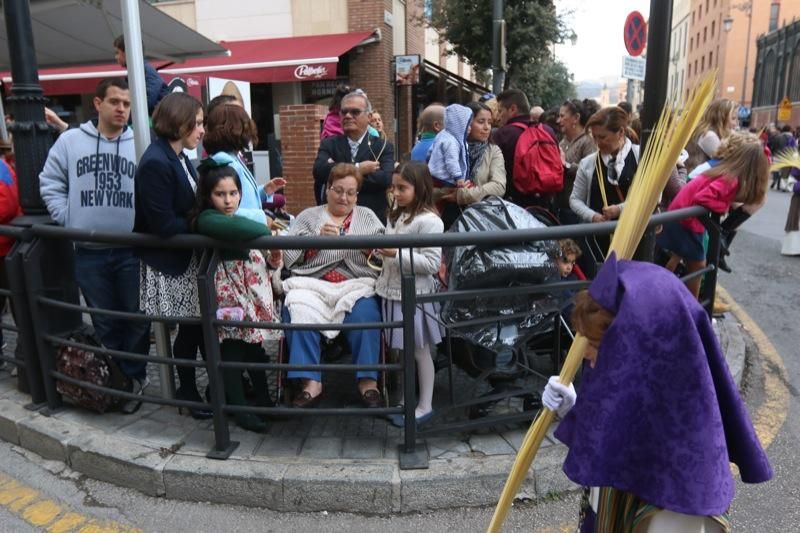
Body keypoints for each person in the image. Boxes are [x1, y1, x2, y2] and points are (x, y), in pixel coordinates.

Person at [542, 255, 772, 532]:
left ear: (643, 358)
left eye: (595, 344)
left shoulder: (678, 497)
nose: (585, 356)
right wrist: (574, 408)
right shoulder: (650, 404)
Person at [39, 78, 150, 414]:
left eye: (127, 104)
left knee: (135, 318)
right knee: (104, 321)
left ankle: (131, 381)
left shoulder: (141, 142)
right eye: (115, 102)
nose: (121, 109)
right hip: (89, 252)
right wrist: (68, 216)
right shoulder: (71, 141)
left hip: (132, 250)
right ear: (98, 103)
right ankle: (113, 380)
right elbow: (49, 181)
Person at [282, 163, 385, 408]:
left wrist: (360, 244)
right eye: (338, 190)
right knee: (297, 310)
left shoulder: (368, 217)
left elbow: (383, 255)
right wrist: (317, 240)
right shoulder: (309, 216)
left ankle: (368, 381)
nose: (344, 197)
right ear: (327, 189)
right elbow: (289, 256)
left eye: (351, 192)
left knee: (367, 314)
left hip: (355, 284)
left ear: (357, 195)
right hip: (313, 283)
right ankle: (311, 382)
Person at [133, 92, 211, 418]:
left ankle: (198, 390)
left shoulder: (177, 156)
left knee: (197, 328)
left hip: (185, 259)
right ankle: (188, 392)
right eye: (198, 123)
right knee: (191, 329)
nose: (203, 130)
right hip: (170, 263)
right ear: (180, 122)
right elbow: (164, 223)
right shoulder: (156, 162)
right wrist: (204, 222)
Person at [192, 161, 282, 432]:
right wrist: (265, 226)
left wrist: (273, 257)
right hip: (229, 296)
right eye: (221, 194)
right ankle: (240, 410)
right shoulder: (208, 219)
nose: (229, 200)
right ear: (208, 196)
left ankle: (264, 403)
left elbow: (262, 253)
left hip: (249, 295)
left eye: (233, 193)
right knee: (231, 351)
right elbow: (245, 231)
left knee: (254, 350)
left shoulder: (234, 217)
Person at [658, 132, 768, 298]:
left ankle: (667, 291)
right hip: (688, 221)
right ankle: (692, 307)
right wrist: (723, 207)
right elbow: (703, 197)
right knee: (698, 266)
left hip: (682, 214)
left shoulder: (723, 170)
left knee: (678, 260)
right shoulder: (731, 179)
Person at [374, 161, 443, 426]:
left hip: (415, 295)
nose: (396, 193)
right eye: (393, 188)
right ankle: (406, 399)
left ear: (420, 187)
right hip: (392, 291)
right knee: (403, 350)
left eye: (402, 188)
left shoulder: (430, 222)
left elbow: (431, 264)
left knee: (420, 351)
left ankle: (425, 405)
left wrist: (396, 253)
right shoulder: (396, 213)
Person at [312, 91, 395, 221]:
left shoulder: (383, 146)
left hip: (371, 222)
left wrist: (336, 173)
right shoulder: (329, 144)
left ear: (369, 116)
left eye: (355, 112)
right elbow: (319, 171)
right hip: (333, 223)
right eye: (344, 112)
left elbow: (384, 179)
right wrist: (358, 168)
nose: (348, 116)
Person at [570, 107, 640, 256]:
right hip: (599, 243)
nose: (598, 143)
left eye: (602, 137)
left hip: (635, 238)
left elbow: (652, 197)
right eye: (594, 137)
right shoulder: (588, 163)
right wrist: (593, 216)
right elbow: (575, 199)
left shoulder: (640, 156)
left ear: (621, 132)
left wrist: (620, 209)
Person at [203, 103, 284, 225]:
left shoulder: (232, 157)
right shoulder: (224, 161)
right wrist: (261, 218)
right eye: (245, 126)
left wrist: (264, 191)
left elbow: (241, 196)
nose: (249, 132)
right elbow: (224, 208)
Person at [434, 101, 506, 229]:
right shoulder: (446, 145)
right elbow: (427, 183)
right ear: (466, 123)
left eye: (489, 122)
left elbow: (498, 186)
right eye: (481, 121)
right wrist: (445, 192)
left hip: (480, 221)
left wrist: (463, 195)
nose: (487, 127)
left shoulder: (493, 151)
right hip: (444, 218)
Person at [492, 88, 558, 206]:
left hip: (513, 207)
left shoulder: (502, 134)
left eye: (500, 111)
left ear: (513, 109)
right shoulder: (548, 131)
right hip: (544, 206)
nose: (498, 116)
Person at [557, 99, 599, 223]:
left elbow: (591, 171)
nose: (558, 121)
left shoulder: (588, 141)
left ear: (576, 118)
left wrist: (566, 166)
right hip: (561, 206)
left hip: (578, 212)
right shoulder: (563, 141)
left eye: (562, 116)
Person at [113, 35, 169, 116]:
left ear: (128, 52)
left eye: (117, 53)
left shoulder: (145, 70)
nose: (116, 57)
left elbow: (146, 102)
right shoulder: (140, 70)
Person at [0, 158, 20, 370]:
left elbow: (6, 206)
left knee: (18, 306)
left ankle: (23, 358)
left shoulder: (0, 168)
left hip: (4, 249)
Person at [684, 98, 737, 173]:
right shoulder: (709, 136)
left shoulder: (706, 131)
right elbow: (728, 164)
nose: (736, 124)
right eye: (733, 118)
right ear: (721, 118)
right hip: (695, 181)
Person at [428, 103, 472, 187]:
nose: (470, 128)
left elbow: (430, 151)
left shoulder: (442, 134)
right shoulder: (452, 142)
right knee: (470, 187)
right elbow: (452, 161)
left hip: (434, 175)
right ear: (458, 125)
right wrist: (458, 177)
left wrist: (429, 163)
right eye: (467, 125)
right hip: (445, 178)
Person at [782, 170, 800, 255]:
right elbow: (791, 183)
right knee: (795, 221)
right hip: (798, 200)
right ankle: (793, 248)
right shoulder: (797, 163)